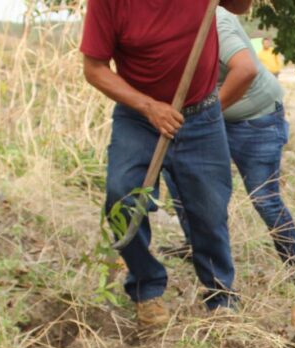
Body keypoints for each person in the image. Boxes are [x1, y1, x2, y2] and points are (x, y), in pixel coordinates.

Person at [80, 0, 253, 329]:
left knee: (210, 210)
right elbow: (95, 68)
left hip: (201, 114)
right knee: (121, 194)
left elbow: (240, 6)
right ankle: (146, 289)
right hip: (138, 117)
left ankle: (221, 298)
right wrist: (148, 107)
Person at [162, 8, 295, 287]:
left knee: (264, 198)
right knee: (177, 175)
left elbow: (246, 70)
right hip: (215, 119)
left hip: (257, 122)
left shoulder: (214, 19)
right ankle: (193, 245)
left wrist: (205, 115)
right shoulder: (166, 25)